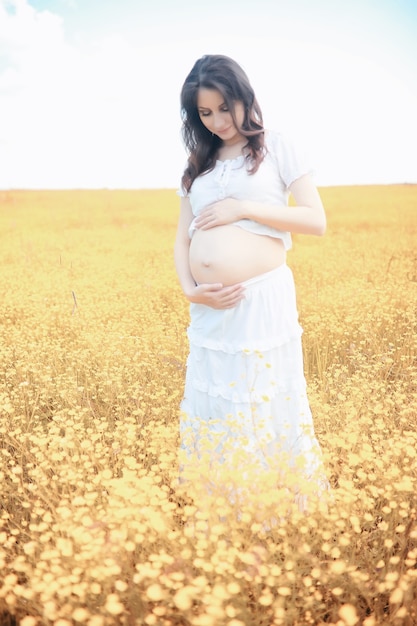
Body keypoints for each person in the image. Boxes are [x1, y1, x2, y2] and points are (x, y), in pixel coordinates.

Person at [174, 54, 328, 513]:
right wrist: (189, 288)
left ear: (244, 98)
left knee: (261, 404)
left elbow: (315, 220)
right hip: (208, 308)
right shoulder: (197, 162)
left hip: (261, 302)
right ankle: (224, 516)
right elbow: (182, 238)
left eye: (225, 107)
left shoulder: (278, 146)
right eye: (205, 113)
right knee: (217, 409)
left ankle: (275, 515)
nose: (218, 121)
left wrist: (244, 208)